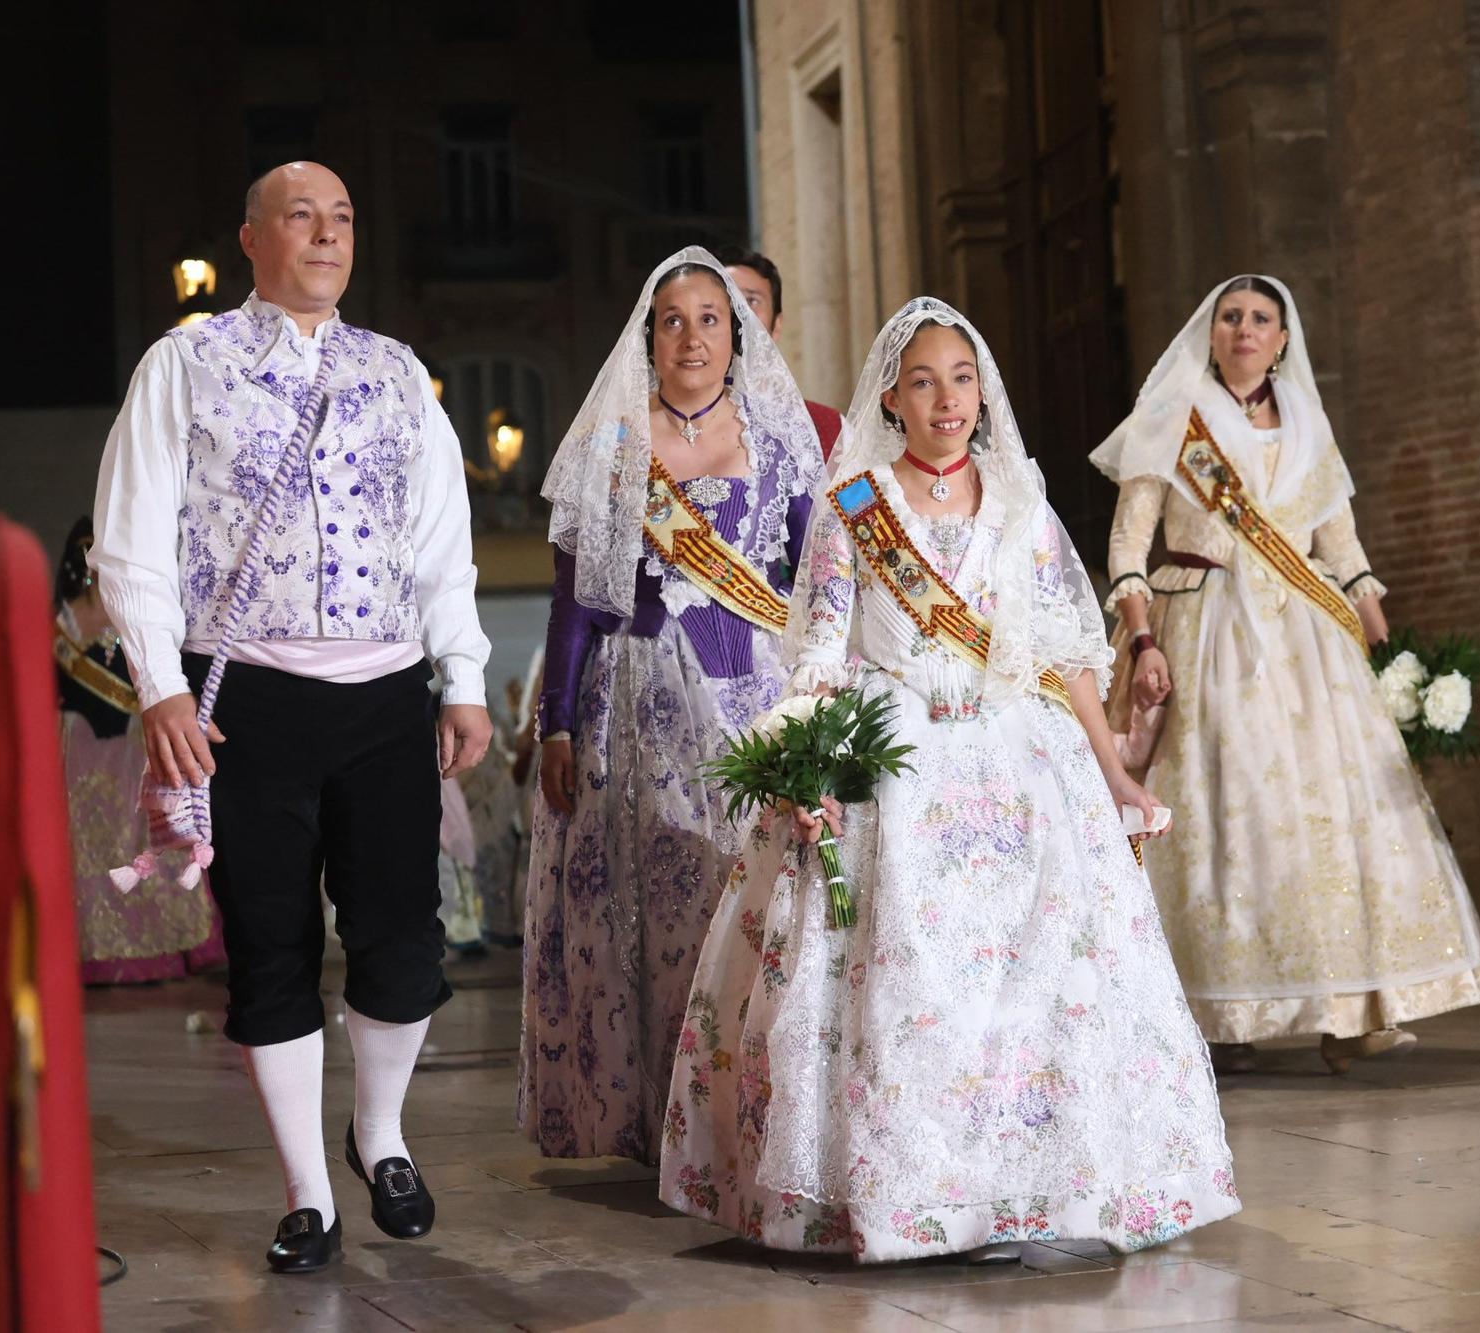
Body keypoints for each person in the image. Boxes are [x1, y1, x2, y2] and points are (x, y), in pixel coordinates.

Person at [657, 296, 1239, 1264]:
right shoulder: (853, 508)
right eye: (922, 381)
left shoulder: (1022, 505)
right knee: (915, 981)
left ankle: (1036, 1187)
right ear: (890, 394)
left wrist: (1118, 777)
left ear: (983, 392)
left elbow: (1062, 653)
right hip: (896, 766)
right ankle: (912, 1194)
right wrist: (807, 764)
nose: (944, 400)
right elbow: (821, 656)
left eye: (960, 379)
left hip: (1023, 766)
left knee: (1043, 983)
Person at [90, 162, 493, 1272]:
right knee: (269, 947)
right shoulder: (188, 364)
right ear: (252, 240)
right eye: (301, 216)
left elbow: (438, 544)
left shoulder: (398, 373)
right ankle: (307, 1191)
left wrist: (461, 675)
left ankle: (381, 1134)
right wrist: (161, 684)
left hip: (383, 695)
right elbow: (131, 537)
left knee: (402, 940)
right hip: (245, 702)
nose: (326, 234)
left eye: (343, 218)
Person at [1089, 274, 1480, 1074]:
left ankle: (1352, 1009)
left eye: (1261, 319)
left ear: (1284, 338)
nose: (1244, 329)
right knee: (1234, 810)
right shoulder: (1173, 419)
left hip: (1310, 643)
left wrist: (1369, 605)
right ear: (1210, 334)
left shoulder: (1310, 421)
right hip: (1208, 627)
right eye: (1230, 317)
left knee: (1334, 813)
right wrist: (1142, 641)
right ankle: (1221, 1013)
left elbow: (1337, 540)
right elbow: (1127, 547)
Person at [520, 247, 823, 1163]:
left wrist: (820, 704)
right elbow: (572, 596)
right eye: (673, 320)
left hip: (748, 704)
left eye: (711, 319)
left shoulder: (777, 447)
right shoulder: (611, 446)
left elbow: (814, 588)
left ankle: (735, 1117)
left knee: (740, 900)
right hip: (632, 704)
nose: (692, 336)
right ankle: (647, 1115)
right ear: (648, 337)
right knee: (636, 914)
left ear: (741, 337)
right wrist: (559, 720)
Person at [54, 516, 226, 984]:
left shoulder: (134, 614)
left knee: (143, 834)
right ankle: (90, 947)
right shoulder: (62, 620)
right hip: (75, 751)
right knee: (83, 843)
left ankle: (160, 946)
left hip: (132, 745)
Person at [717, 245, 846, 461]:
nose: (737, 311)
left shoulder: (830, 429)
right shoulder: (663, 427)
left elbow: (861, 496)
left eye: (750, 300)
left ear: (777, 325)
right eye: (725, 299)